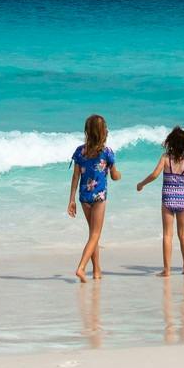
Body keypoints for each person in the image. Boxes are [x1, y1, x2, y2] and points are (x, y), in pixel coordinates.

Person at [133, 125, 184, 276]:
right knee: (183, 233)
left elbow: (155, 175)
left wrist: (141, 184)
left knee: (168, 234)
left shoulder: (165, 158)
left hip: (167, 198)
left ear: (170, 143)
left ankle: (167, 270)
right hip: (182, 199)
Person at [67, 113, 118, 282]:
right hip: (99, 197)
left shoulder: (80, 152)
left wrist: (71, 200)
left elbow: (75, 177)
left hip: (84, 197)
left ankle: (96, 270)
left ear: (87, 131)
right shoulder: (107, 152)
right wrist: (117, 173)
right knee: (95, 234)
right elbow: (115, 176)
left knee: (92, 234)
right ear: (103, 132)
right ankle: (81, 268)